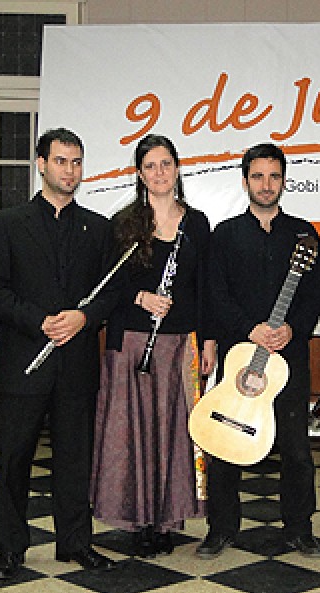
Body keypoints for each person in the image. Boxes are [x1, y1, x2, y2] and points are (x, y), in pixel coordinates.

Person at [0, 128, 120, 580]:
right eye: (61, 161)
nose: (70, 171)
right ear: (41, 164)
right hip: (25, 362)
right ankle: (10, 549)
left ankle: (76, 543)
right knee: (15, 459)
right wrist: (38, 321)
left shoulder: (98, 228)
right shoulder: (9, 223)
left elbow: (110, 293)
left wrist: (84, 318)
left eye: (76, 162)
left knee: (75, 460)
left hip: (76, 364)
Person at [196, 142, 320, 559]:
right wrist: (248, 329)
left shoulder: (304, 234)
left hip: (289, 358)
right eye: (258, 176)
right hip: (240, 355)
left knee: (296, 448)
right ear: (245, 180)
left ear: (284, 181)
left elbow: (313, 296)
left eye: (274, 176)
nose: (266, 185)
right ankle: (221, 529)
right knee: (225, 441)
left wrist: (291, 328)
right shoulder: (225, 234)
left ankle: (300, 529)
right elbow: (215, 294)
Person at [90, 134, 216, 557]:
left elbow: (204, 289)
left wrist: (208, 341)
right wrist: (141, 297)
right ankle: (137, 521)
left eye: (166, 164)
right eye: (150, 166)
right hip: (131, 343)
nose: (159, 172)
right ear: (140, 174)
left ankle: (165, 521)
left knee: (172, 433)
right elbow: (106, 286)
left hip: (180, 344)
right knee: (134, 433)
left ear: (177, 168)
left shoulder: (197, 224)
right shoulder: (123, 224)